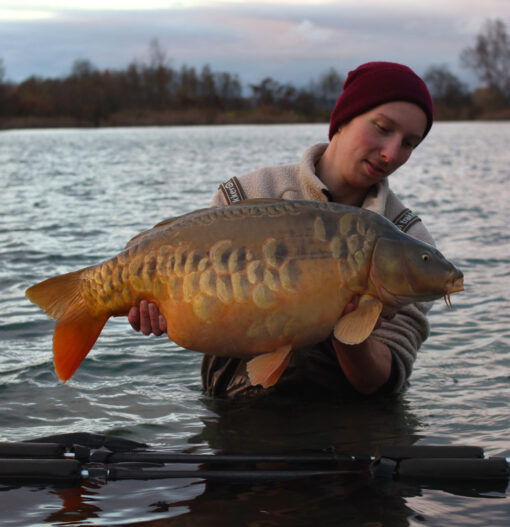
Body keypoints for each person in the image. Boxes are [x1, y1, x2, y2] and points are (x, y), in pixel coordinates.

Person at [128, 61, 436, 399]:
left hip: (350, 413)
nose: (391, 153)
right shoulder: (246, 194)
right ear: (343, 119)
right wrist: (163, 309)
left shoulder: (410, 244)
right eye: (382, 128)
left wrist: (350, 332)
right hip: (239, 400)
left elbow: (385, 378)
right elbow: (200, 313)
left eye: (409, 143)